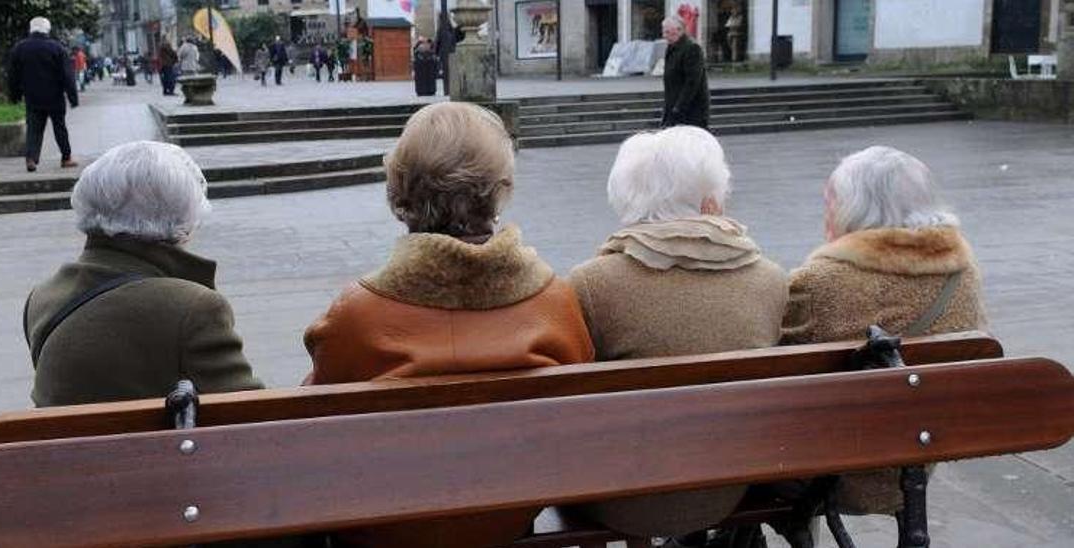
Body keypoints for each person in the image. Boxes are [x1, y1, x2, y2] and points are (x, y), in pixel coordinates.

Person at [303, 102, 594, 548]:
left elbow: (313, 422)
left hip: (389, 531)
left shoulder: (356, 315)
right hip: (508, 519)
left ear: (400, 193)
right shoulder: (554, 301)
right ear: (498, 190)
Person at [564, 127, 787, 546]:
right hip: (729, 492)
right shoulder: (770, 280)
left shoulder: (592, 284)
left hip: (621, 498)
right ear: (711, 202)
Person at [780, 146, 987, 517]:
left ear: (851, 208)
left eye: (831, 202)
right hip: (918, 462)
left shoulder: (818, 282)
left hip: (828, 473)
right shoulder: (963, 274)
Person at [24, 141, 264, 408]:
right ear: (182, 221)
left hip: (58, 448)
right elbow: (253, 416)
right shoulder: (192, 308)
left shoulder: (43, 296)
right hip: (145, 450)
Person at [8, 17, 78, 173]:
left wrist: (15, 95)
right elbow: (67, 75)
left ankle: (31, 158)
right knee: (60, 127)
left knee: (34, 128)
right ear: (47, 29)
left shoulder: (19, 48)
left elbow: (13, 75)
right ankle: (66, 158)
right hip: (55, 97)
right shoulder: (56, 48)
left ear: (31, 29)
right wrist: (73, 97)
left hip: (32, 97)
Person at [661, 15, 710, 129]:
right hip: (674, 107)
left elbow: (692, 82)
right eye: (664, 32)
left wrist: (678, 107)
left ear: (679, 30)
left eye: (668, 32)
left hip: (691, 111)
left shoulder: (692, 48)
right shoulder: (672, 47)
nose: (665, 36)